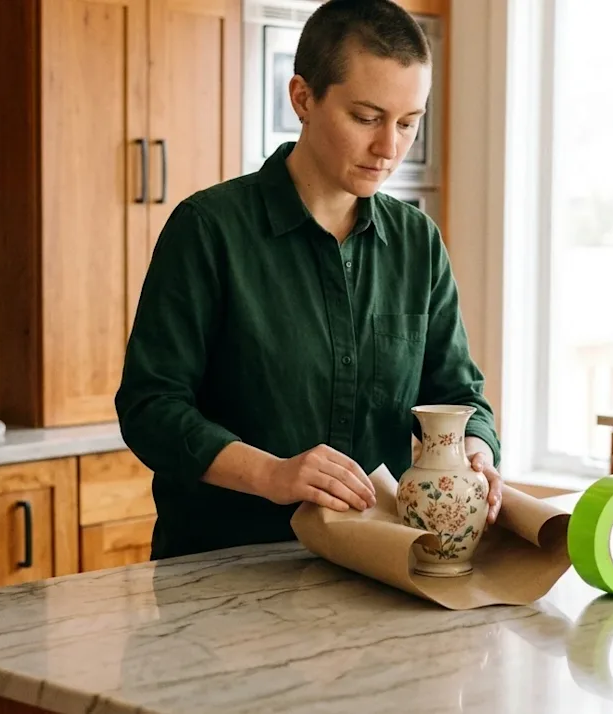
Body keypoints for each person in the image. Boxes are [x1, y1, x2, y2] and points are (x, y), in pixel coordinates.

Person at [114, 0, 502, 561]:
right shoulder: (208, 230)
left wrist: (475, 451)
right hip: (222, 571)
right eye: (366, 118)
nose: (389, 148)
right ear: (302, 98)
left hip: (377, 568)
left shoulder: (418, 243)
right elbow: (150, 407)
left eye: (407, 123)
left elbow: (459, 395)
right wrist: (272, 474)